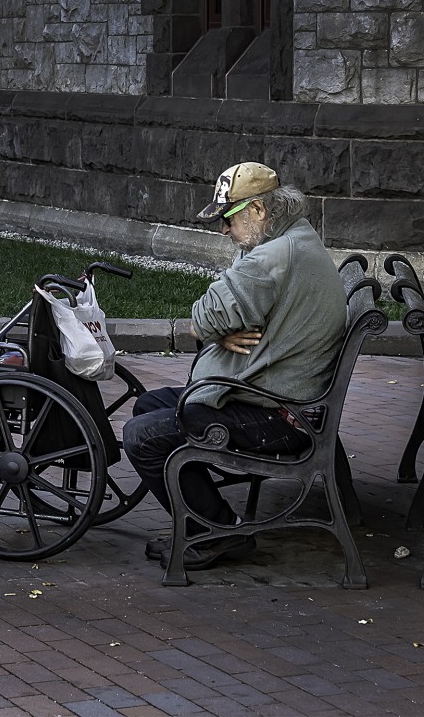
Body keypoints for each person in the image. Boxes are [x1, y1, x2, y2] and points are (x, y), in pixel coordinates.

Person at [122, 162, 347, 570]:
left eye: (228, 219)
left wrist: (214, 331)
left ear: (258, 211)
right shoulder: (294, 237)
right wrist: (221, 333)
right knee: (148, 406)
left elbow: (203, 319)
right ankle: (200, 521)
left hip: (282, 416)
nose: (224, 231)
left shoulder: (270, 258)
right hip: (284, 398)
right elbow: (220, 321)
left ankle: (220, 533)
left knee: (141, 436)